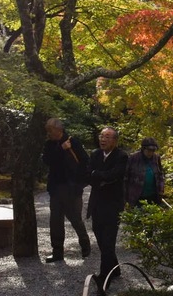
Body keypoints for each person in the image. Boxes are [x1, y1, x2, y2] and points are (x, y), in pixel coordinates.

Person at [42, 118, 91, 262]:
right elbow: (47, 161)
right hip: (56, 188)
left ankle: (85, 246)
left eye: (50, 130)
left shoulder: (73, 142)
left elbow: (85, 162)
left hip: (72, 188)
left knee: (75, 218)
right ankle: (57, 252)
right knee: (55, 221)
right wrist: (60, 149)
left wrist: (79, 184)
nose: (49, 133)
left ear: (58, 130)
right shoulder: (50, 144)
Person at [87, 126, 128, 290]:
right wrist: (100, 176)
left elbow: (115, 175)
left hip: (113, 204)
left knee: (108, 241)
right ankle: (115, 268)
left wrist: (98, 175)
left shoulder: (122, 156)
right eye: (102, 136)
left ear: (115, 140)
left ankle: (104, 280)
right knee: (100, 236)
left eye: (107, 137)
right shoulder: (95, 154)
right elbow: (88, 174)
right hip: (97, 202)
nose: (103, 139)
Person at [125, 137, 165, 207]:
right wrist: (125, 196)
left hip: (153, 196)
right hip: (137, 196)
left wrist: (161, 189)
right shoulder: (133, 158)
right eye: (149, 150)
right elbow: (126, 177)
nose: (151, 153)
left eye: (153, 150)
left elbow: (160, 174)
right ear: (143, 149)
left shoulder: (156, 158)